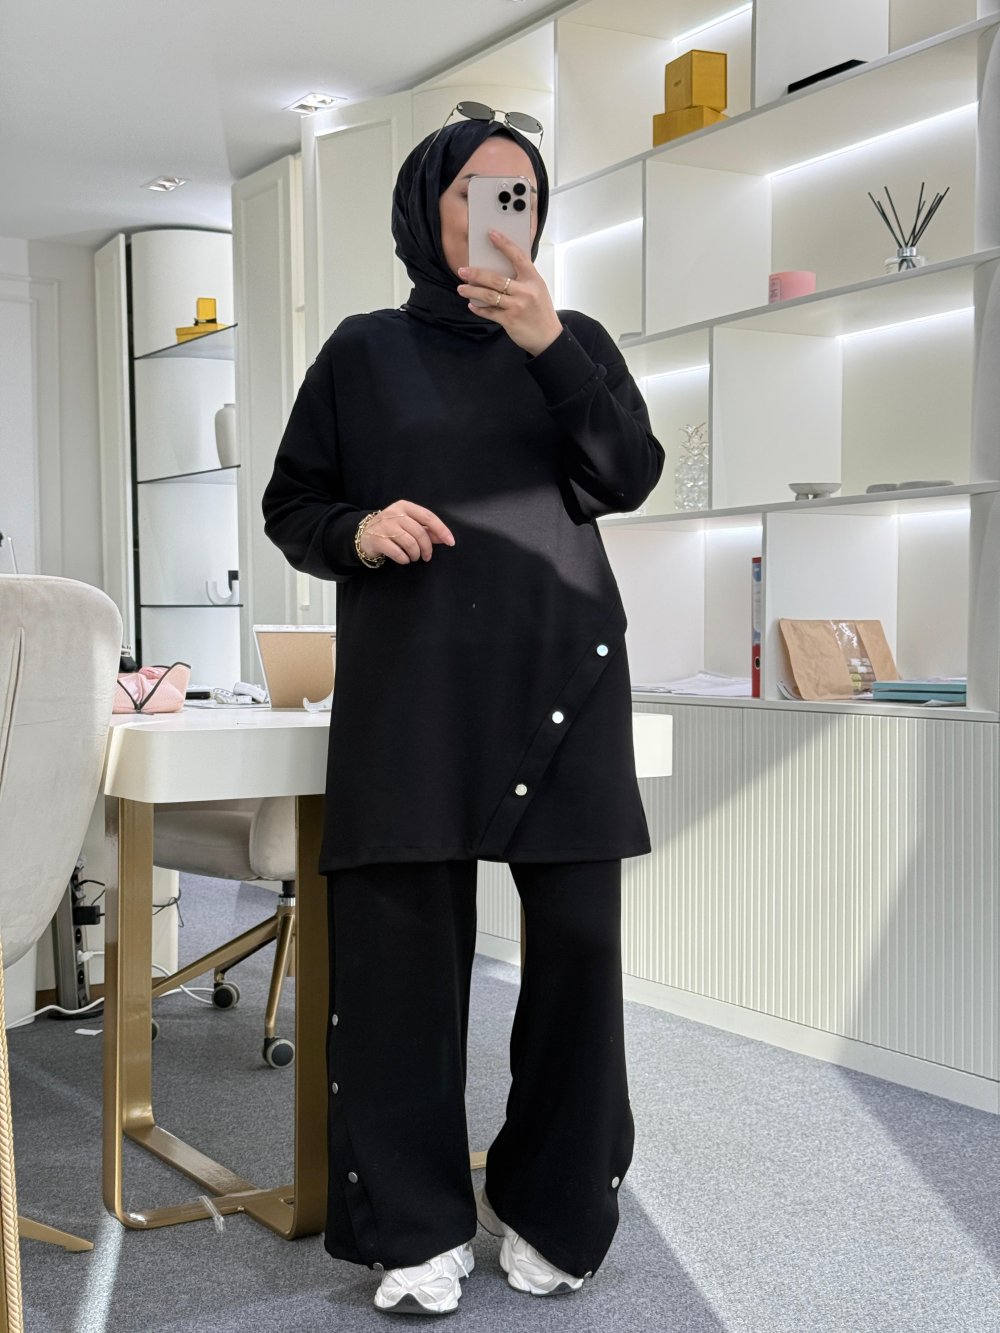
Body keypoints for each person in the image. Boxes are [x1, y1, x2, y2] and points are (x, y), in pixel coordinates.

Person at [262, 109, 664, 1316]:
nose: (504, 217)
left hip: (566, 675)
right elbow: (294, 503)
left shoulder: (574, 340)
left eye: (522, 197)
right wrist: (358, 529)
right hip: (415, 689)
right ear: (426, 207)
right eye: (479, 194)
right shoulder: (362, 351)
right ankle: (416, 1225)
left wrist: (546, 345)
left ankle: (556, 1203)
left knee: (577, 958)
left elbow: (625, 474)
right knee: (398, 964)